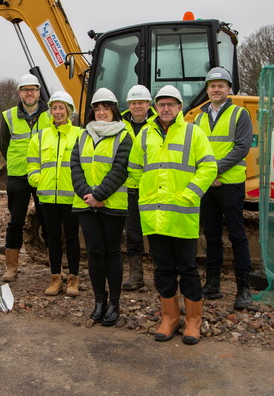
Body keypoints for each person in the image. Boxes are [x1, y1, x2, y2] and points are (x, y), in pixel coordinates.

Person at [128, 85, 217, 345]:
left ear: (179, 108)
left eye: (171, 104)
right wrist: (146, 193)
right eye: (162, 104)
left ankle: (192, 320)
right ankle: (169, 317)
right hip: (154, 216)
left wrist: (190, 194)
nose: (166, 109)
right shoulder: (145, 135)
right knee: (162, 268)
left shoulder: (193, 133)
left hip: (182, 215)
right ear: (156, 107)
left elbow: (209, 167)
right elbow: (135, 169)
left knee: (188, 269)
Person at [71, 88, 132, 327]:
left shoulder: (124, 136)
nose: (101, 112)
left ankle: (114, 303)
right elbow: (75, 166)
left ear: (114, 110)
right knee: (94, 253)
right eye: (97, 108)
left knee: (112, 252)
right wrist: (87, 195)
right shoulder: (82, 135)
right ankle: (99, 301)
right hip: (86, 204)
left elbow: (120, 169)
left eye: (106, 108)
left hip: (111, 204)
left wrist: (98, 195)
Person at [195, 67, 254, 309]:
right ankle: (213, 285)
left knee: (237, 235)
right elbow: (197, 150)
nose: (216, 89)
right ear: (207, 90)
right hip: (209, 185)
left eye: (221, 85)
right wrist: (208, 176)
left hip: (229, 184)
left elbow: (241, 148)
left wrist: (213, 172)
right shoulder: (199, 118)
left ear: (229, 89)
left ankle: (243, 289)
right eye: (212, 86)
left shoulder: (240, 114)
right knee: (211, 235)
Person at [27, 91, 82, 297]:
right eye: (55, 108)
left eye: (61, 108)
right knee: (52, 238)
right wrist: (37, 180)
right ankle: (55, 277)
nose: (58, 112)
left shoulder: (79, 134)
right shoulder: (40, 136)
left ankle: (74, 279)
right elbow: (32, 164)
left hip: (72, 197)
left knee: (72, 238)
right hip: (48, 197)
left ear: (69, 111)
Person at [0, 73, 51, 282]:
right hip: (18, 176)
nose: (29, 93)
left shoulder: (51, 113)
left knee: (48, 221)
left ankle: (55, 267)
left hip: (44, 175)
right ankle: (11, 267)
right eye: (25, 89)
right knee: (15, 222)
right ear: (20, 93)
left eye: (33, 89)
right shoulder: (8, 115)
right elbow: (4, 145)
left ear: (39, 92)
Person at [121, 85, 157, 292]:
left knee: (156, 231)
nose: (137, 106)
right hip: (130, 186)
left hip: (153, 187)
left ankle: (160, 273)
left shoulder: (158, 124)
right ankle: (136, 275)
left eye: (141, 103)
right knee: (133, 233)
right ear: (129, 105)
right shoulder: (120, 124)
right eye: (133, 103)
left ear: (148, 104)